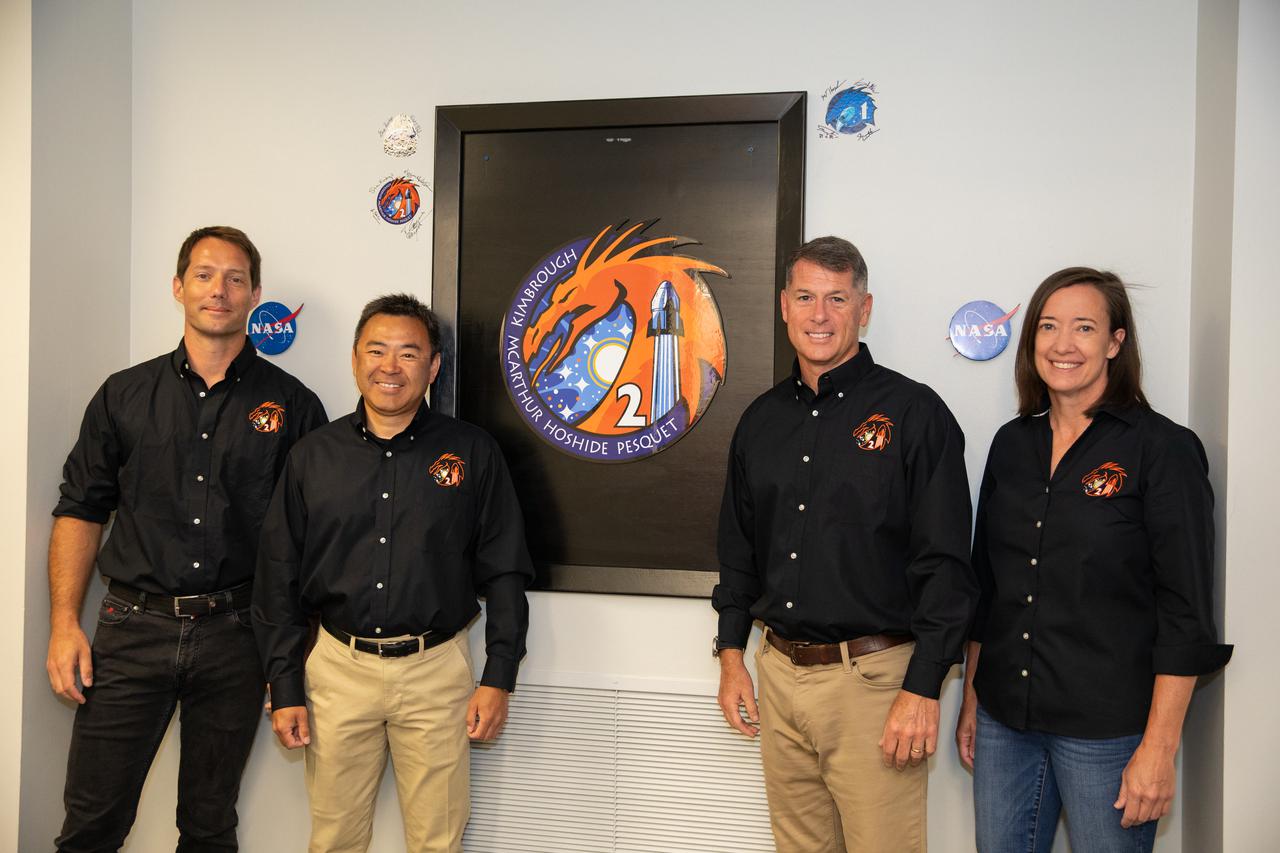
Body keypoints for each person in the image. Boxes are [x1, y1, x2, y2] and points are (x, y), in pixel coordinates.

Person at [46, 226, 328, 852]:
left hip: (238, 639)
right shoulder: (123, 396)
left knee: (208, 826)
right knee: (91, 824)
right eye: (204, 275)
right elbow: (80, 510)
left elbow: (307, 545)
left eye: (234, 278)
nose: (218, 291)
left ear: (255, 293)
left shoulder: (295, 405)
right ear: (178, 288)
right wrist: (65, 624)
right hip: (130, 631)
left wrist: (289, 658)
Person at [713, 236, 977, 852]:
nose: (820, 315)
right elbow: (737, 551)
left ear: (866, 308)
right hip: (778, 674)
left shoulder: (915, 414)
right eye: (805, 297)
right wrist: (731, 656)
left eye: (838, 298)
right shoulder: (760, 421)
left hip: (877, 684)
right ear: (784, 305)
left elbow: (946, 566)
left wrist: (922, 686)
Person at [955, 267, 1232, 852]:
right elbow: (989, 589)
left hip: (1109, 734)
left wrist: (1159, 749)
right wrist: (974, 700)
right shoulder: (1012, 443)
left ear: (1115, 342)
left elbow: (1186, 614)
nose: (1063, 344)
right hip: (1006, 720)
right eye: (1049, 326)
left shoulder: (1162, 450)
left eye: (1084, 327)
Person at [254, 293, 533, 853]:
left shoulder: (472, 452)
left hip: (436, 673)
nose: (390, 366)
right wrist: (284, 684)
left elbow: (505, 569)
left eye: (409, 354)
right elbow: (278, 576)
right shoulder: (313, 456)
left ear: (432, 367)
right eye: (376, 350)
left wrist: (499, 675)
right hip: (337, 669)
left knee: (438, 840)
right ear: (355, 359)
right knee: (334, 839)